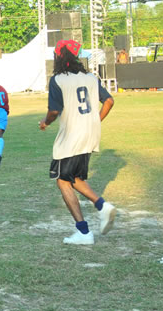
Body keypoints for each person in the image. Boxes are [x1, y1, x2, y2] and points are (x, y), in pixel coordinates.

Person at [39, 40, 116, 245]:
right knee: (73, 178)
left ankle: (85, 230)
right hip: (89, 134)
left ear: (59, 56)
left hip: (71, 136)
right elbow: (109, 101)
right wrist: (94, 121)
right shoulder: (90, 77)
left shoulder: (58, 80)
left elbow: (54, 111)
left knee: (62, 180)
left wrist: (45, 122)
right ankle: (102, 207)